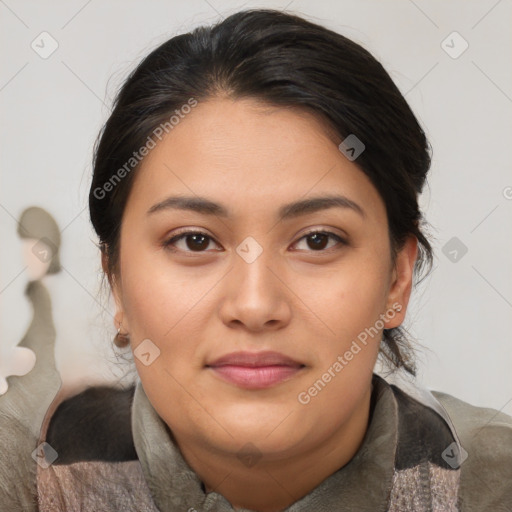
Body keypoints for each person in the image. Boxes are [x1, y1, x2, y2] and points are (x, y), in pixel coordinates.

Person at [1, 8, 511, 512]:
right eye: (195, 241)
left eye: (317, 240)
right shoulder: (23, 476)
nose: (254, 304)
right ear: (115, 281)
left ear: (396, 280)